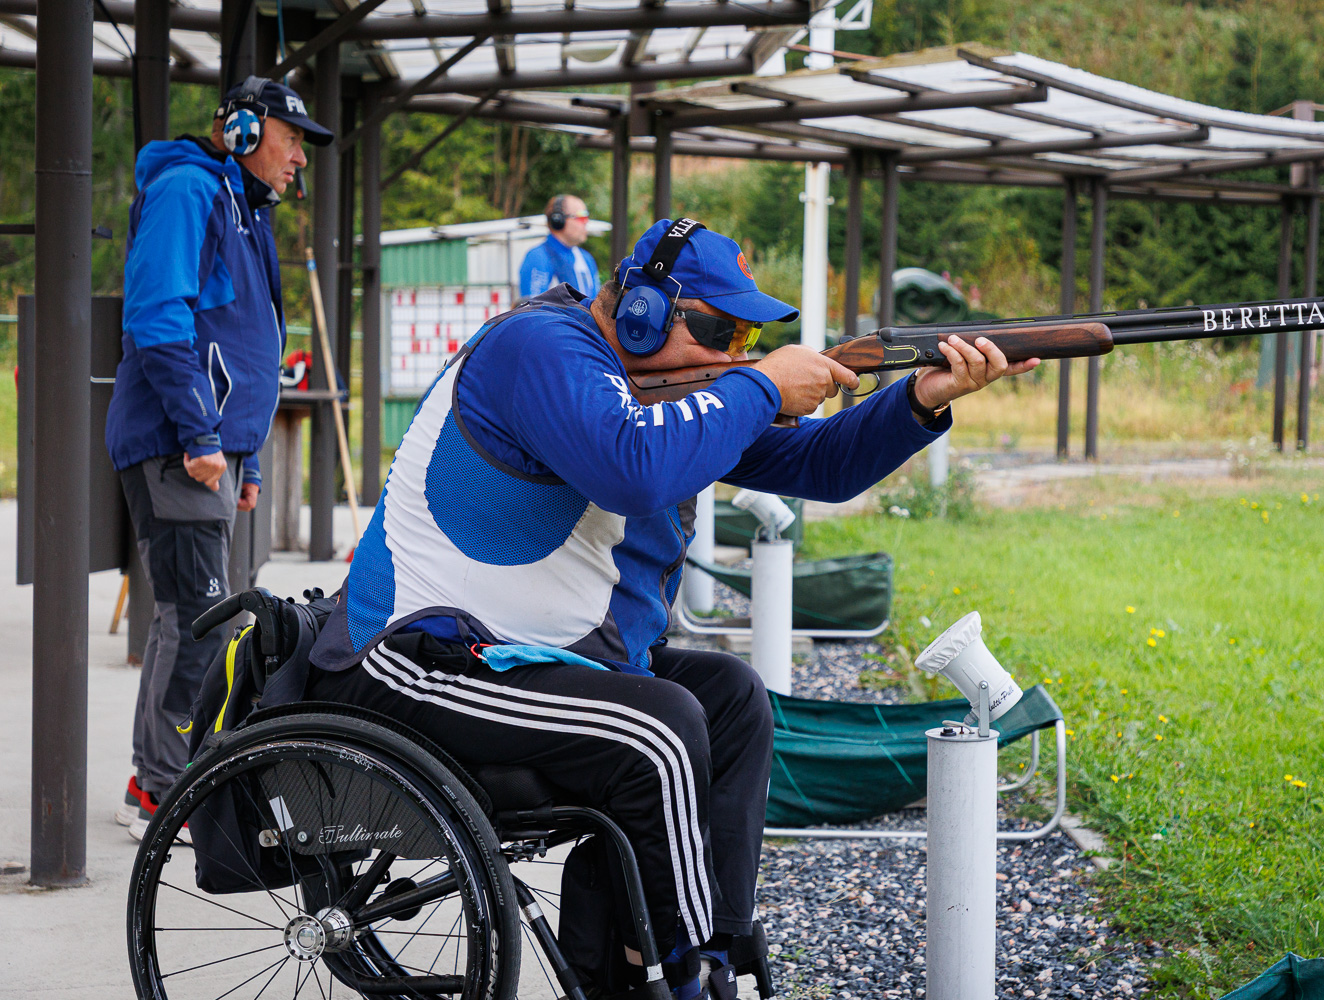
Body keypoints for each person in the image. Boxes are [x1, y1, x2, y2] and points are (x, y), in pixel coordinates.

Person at [305, 218, 1037, 999]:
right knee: (658, 728)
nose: (736, 352)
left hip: (522, 656)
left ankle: (709, 948)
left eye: (748, 337)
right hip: (414, 657)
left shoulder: (669, 388)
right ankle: (679, 977)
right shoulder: (539, 347)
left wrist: (919, 402)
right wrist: (760, 386)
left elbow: (820, 466)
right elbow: (633, 469)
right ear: (642, 314)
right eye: (722, 332)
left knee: (733, 698)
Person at [107, 76, 333, 841]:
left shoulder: (244, 205)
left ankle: (160, 777)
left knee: (197, 615)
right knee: (197, 619)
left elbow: (243, 338)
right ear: (243, 131)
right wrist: (202, 437)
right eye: (292, 138)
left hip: (213, 448)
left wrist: (247, 458)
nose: (300, 158)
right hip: (180, 444)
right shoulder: (188, 189)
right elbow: (156, 317)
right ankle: (162, 788)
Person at [519, 192, 600, 298]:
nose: (586, 222)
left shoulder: (586, 258)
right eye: (581, 217)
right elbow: (533, 305)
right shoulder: (538, 257)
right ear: (558, 220)